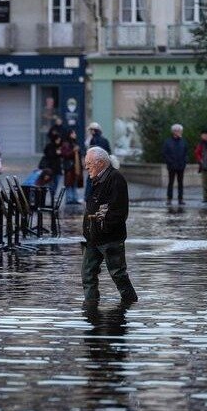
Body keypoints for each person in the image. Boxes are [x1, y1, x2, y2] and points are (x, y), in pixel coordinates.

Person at [81, 146, 137, 304]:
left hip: (109, 238)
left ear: (100, 163)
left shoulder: (115, 178)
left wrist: (103, 226)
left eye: (89, 163)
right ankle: (91, 307)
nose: (86, 167)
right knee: (87, 273)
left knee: (118, 274)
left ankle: (130, 303)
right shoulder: (98, 179)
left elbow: (119, 211)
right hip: (93, 238)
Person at [161, 124, 189, 205]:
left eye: (180, 131)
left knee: (180, 183)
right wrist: (169, 161)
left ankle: (180, 199)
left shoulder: (183, 142)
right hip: (171, 166)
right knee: (171, 183)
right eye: (177, 131)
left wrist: (184, 162)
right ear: (173, 132)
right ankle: (169, 199)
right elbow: (164, 153)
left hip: (181, 166)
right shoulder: (168, 142)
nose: (179, 132)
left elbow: (186, 153)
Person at [85, 122, 112, 200]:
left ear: (94, 131)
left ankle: (89, 197)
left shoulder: (93, 140)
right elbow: (109, 152)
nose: (90, 132)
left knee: (90, 182)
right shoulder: (105, 140)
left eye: (91, 130)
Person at [61, 129, 83, 204]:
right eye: (73, 133)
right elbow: (64, 154)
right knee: (69, 183)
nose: (75, 135)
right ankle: (69, 199)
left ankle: (74, 198)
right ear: (70, 134)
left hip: (75, 167)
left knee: (74, 183)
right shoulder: (66, 144)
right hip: (69, 167)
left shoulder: (75, 143)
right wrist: (73, 151)